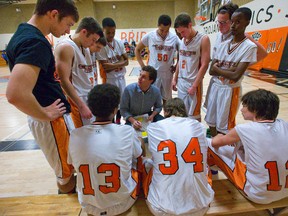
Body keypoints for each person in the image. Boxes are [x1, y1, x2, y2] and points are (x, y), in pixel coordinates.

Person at [5, 0, 79, 193]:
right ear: (53, 14)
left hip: (52, 119)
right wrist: (45, 114)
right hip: (50, 122)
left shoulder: (25, 33)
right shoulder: (34, 42)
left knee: (66, 169)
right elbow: (15, 94)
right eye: (68, 24)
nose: (67, 31)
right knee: (65, 174)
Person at [68, 84, 143, 215]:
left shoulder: (75, 134)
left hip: (88, 205)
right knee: (139, 159)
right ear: (115, 110)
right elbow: (139, 155)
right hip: (122, 204)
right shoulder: (127, 131)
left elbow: (73, 165)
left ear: (90, 108)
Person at [208, 89, 288, 204]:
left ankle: (210, 178)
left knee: (207, 144)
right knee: (241, 148)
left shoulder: (245, 129)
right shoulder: (285, 125)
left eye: (244, 106)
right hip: (285, 191)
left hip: (258, 195)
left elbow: (215, 143)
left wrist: (217, 136)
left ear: (255, 109)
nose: (241, 109)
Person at [204, 3, 268, 136]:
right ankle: (216, 145)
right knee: (211, 121)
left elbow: (235, 75)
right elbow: (211, 70)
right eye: (219, 22)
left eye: (224, 22)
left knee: (225, 125)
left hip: (230, 89)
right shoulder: (221, 41)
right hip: (216, 85)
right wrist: (229, 70)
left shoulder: (248, 44)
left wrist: (235, 67)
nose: (232, 25)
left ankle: (226, 148)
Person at [143, 97, 214, 215]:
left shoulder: (153, 127)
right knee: (205, 167)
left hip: (161, 208)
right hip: (200, 206)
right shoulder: (199, 126)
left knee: (148, 164)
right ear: (184, 111)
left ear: (166, 112)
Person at [55, 17, 103, 128]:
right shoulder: (66, 47)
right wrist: (81, 106)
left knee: (92, 133)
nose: (93, 43)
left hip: (88, 98)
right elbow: (63, 80)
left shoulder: (84, 47)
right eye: (93, 40)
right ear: (84, 32)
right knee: (83, 136)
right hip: (77, 101)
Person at [172, 13, 211, 121]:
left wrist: (194, 85)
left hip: (193, 82)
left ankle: (196, 136)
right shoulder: (182, 40)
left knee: (194, 115)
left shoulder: (203, 39)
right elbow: (180, 60)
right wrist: (175, 79)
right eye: (179, 33)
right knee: (182, 112)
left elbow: (205, 64)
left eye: (183, 31)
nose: (181, 35)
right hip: (181, 81)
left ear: (190, 25)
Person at [135, 15, 180, 105]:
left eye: (166, 30)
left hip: (167, 73)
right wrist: (143, 66)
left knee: (167, 101)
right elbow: (137, 49)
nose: (164, 33)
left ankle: (166, 118)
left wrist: (176, 66)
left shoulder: (174, 38)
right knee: (152, 100)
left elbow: (182, 53)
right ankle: (153, 118)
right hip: (153, 74)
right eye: (162, 30)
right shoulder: (150, 36)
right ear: (158, 25)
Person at [96, 17, 128, 124]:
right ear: (103, 30)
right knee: (111, 103)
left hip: (121, 78)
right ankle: (112, 122)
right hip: (109, 79)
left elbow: (127, 61)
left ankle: (118, 121)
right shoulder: (101, 45)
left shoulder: (119, 43)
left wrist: (114, 64)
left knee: (121, 102)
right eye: (108, 32)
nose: (111, 35)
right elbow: (106, 68)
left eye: (113, 32)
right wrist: (121, 62)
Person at [120, 65, 163, 131]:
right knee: (128, 132)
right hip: (132, 117)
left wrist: (152, 115)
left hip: (147, 116)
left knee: (162, 123)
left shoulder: (156, 91)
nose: (139, 78)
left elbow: (159, 107)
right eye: (140, 75)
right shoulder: (128, 89)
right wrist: (133, 121)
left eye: (143, 77)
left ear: (151, 80)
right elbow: (123, 110)